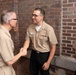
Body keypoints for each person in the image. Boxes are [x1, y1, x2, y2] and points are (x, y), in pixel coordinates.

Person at [22, 8, 58, 75]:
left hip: (44, 55)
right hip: (33, 54)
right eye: (32, 15)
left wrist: (48, 62)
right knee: (32, 73)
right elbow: (27, 40)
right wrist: (24, 49)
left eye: (35, 15)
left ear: (42, 17)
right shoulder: (30, 27)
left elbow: (53, 47)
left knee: (44, 73)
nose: (33, 17)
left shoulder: (48, 29)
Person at [0, 10, 27, 75]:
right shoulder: (4, 37)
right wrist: (21, 53)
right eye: (15, 19)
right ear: (10, 22)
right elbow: (9, 61)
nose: (17, 21)